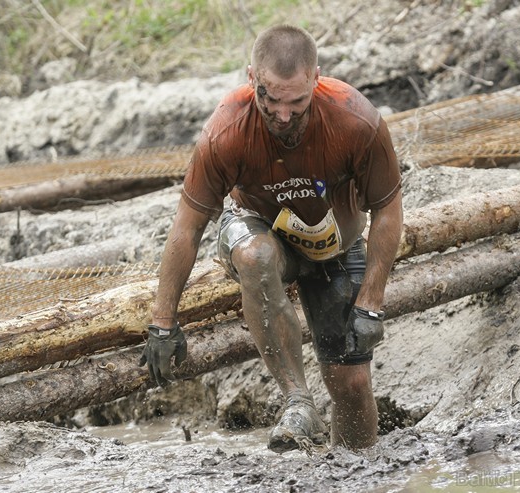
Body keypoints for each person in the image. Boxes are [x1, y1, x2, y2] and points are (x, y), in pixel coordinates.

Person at [139, 24, 403, 453]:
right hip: (262, 233)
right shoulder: (225, 132)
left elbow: (388, 209)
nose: (282, 115)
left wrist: (371, 303)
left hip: (337, 245)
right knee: (254, 255)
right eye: (270, 99)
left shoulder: (356, 120)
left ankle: (360, 472)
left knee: (352, 384)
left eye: (297, 102)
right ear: (251, 79)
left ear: (316, 80)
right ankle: (298, 401)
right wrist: (162, 321)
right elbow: (188, 227)